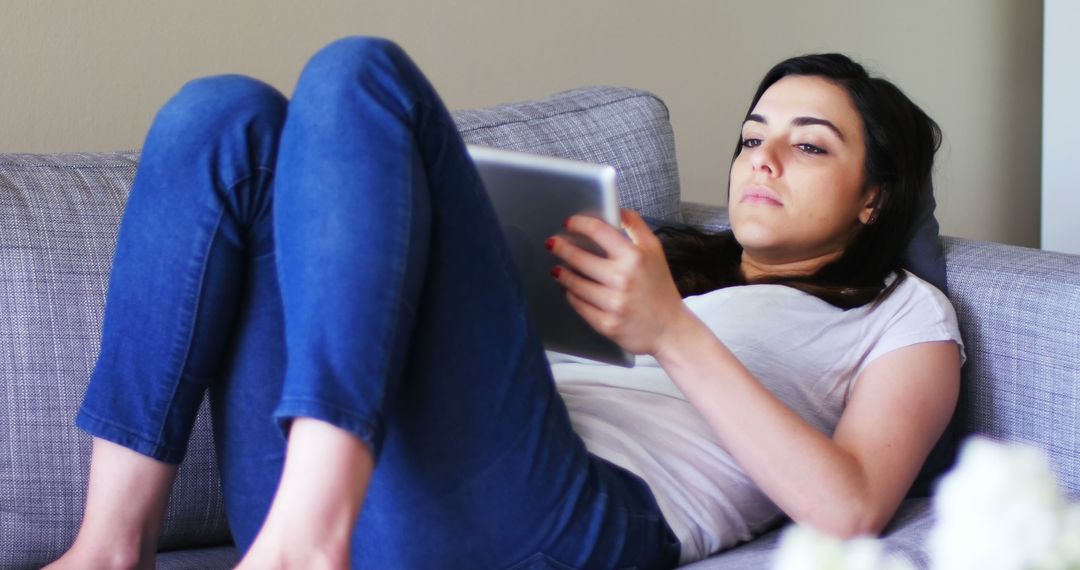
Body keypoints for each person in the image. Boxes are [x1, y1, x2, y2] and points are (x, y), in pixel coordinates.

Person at [45, 37, 963, 570]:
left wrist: (669, 331)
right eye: (753, 135)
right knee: (226, 116)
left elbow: (849, 511)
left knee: (360, 72)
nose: (762, 159)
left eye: (809, 146)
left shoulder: (901, 312)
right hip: (401, 483)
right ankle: (113, 543)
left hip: (565, 518)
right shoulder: (659, 253)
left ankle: (311, 533)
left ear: (874, 196)